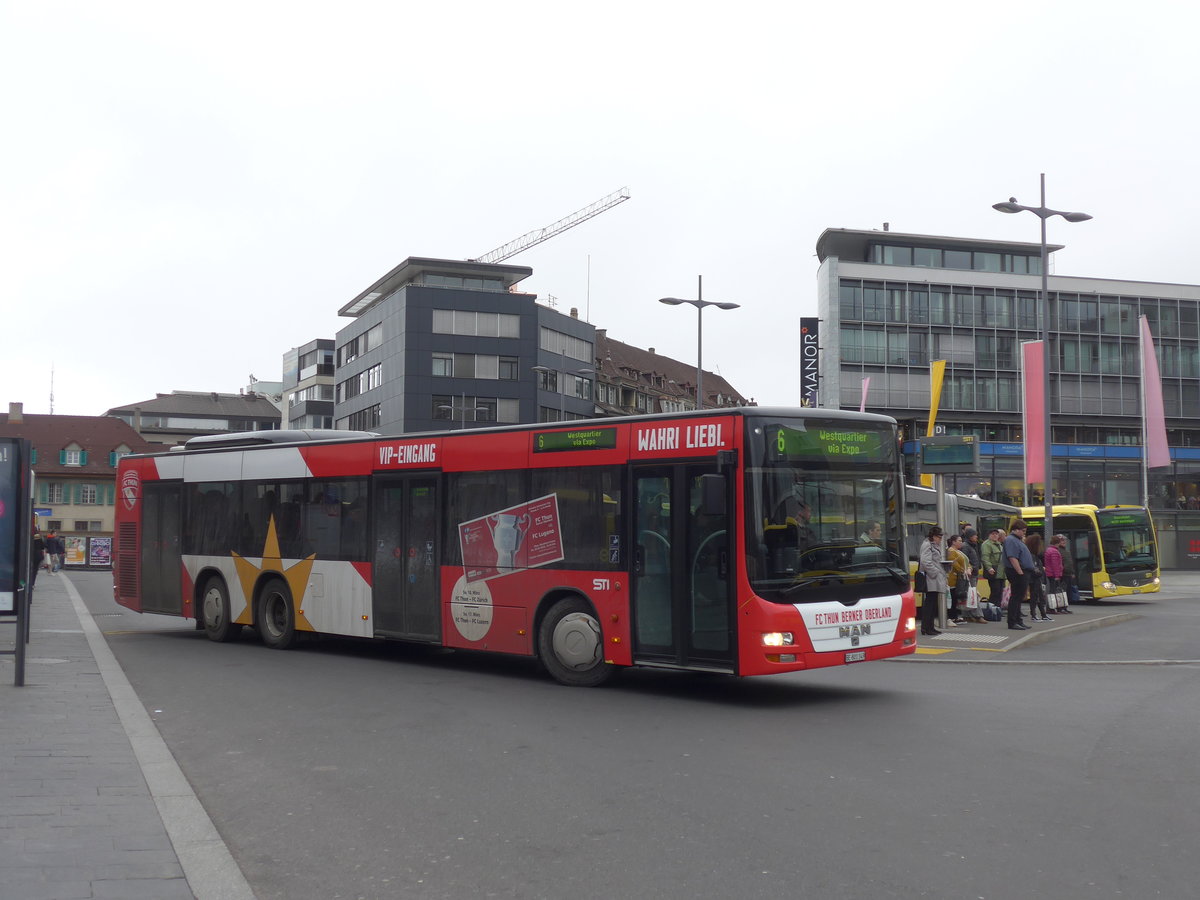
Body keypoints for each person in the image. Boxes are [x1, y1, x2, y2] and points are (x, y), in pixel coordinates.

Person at [918, 525, 949, 636]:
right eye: (939, 537)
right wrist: (935, 572)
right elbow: (926, 562)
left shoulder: (933, 545)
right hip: (931, 578)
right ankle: (926, 627)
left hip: (934, 578)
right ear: (934, 536)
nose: (940, 540)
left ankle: (929, 627)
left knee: (932, 603)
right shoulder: (927, 545)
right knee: (929, 604)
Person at [1003, 520, 1033, 630]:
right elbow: (1012, 557)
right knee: (1016, 597)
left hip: (1021, 571)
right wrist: (1020, 572)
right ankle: (1012, 622)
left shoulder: (1017, 540)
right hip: (1017, 571)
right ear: (1016, 530)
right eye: (1023, 531)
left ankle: (1018, 620)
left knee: (1019, 597)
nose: (1024, 533)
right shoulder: (1011, 540)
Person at [945, 533, 971, 625]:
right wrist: (964, 570)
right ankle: (952, 617)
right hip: (953, 578)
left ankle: (954, 616)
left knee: (955, 598)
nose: (961, 542)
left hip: (959, 577)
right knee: (952, 597)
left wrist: (969, 568)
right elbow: (954, 564)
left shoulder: (959, 551)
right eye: (959, 541)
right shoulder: (951, 551)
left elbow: (967, 562)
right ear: (953, 542)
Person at [1025, 532, 1050, 621]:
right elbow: (1033, 567)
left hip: (1036, 578)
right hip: (1035, 578)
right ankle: (1034, 614)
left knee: (1039, 596)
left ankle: (1042, 614)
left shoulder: (1034, 555)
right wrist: (1040, 572)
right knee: (1035, 597)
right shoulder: (1032, 556)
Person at [1046, 534, 1073, 614]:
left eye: (1064, 540)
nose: (1064, 541)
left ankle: (1062, 607)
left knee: (1062, 591)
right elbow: (1055, 564)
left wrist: (1072, 572)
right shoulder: (1056, 551)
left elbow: (1069, 562)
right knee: (1057, 591)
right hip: (1061, 574)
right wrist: (1058, 575)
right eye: (1062, 540)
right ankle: (1057, 607)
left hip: (1065, 573)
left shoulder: (1064, 550)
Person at [981, 528, 1006, 609]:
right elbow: (985, 557)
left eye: (996, 534)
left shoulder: (999, 544)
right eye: (993, 534)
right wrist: (989, 568)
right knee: (995, 592)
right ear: (989, 535)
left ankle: (998, 609)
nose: (995, 535)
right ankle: (992, 609)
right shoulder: (986, 544)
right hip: (994, 572)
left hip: (1001, 572)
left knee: (1000, 592)